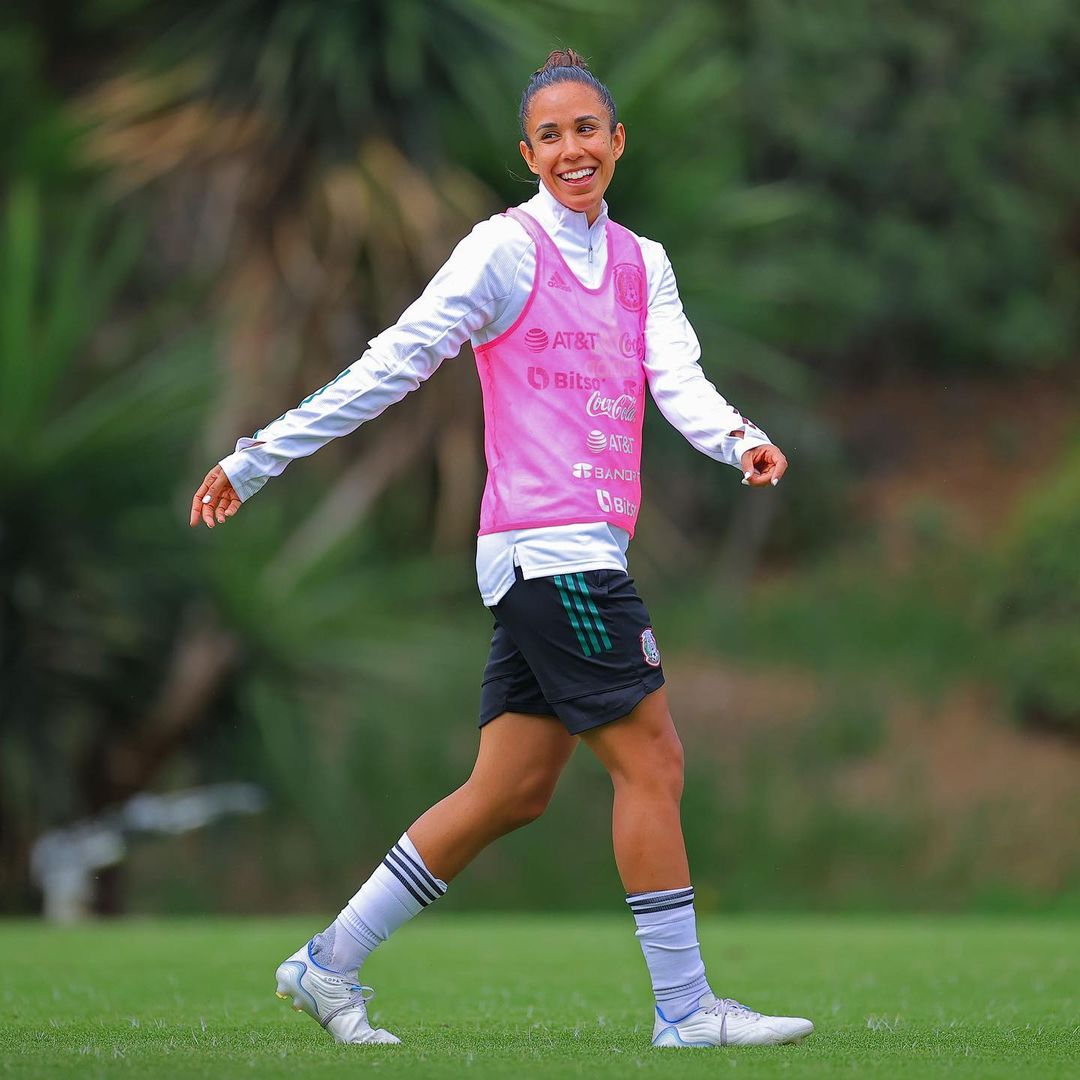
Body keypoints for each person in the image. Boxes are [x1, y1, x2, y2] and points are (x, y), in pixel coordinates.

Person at [190, 49, 811, 1050]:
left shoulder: (643, 263)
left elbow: (677, 376)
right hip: (550, 552)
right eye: (550, 136)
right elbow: (394, 360)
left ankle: (325, 965)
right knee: (654, 761)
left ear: (617, 141)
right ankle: (687, 1011)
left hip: (570, 553)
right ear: (528, 155)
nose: (572, 149)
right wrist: (259, 456)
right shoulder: (502, 251)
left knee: (511, 791)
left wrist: (738, 437)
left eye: (587, 130)